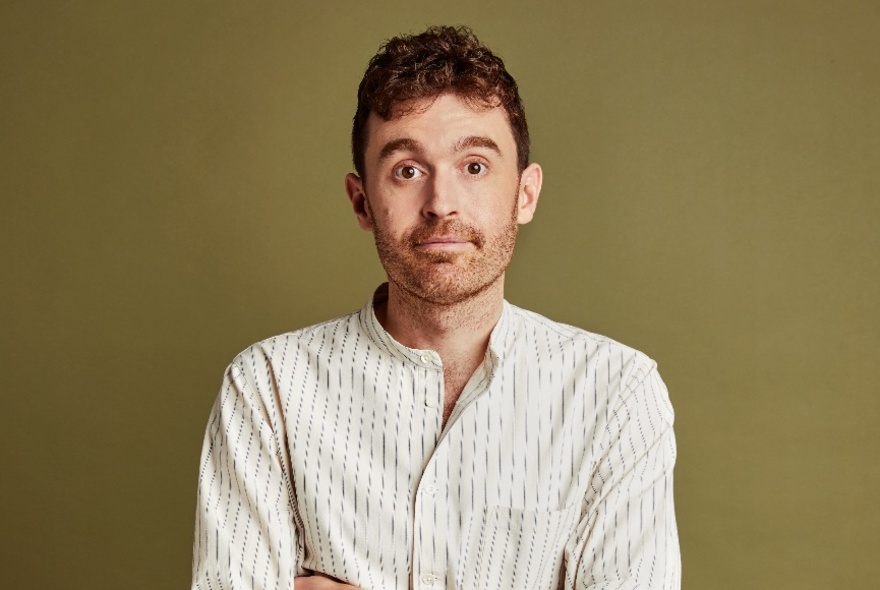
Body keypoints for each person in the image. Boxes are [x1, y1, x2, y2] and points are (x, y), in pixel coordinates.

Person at [191, 25, 680, 590]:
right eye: (407, 171)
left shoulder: (617, 394)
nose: (440, 204)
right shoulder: (267, 388)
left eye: (474, 166)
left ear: (525, 193)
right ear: (362, 201)